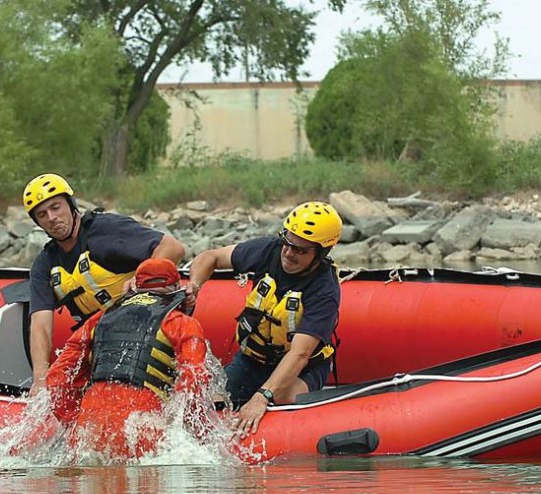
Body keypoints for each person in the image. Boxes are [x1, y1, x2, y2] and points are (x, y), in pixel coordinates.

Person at [186, 201, 342, 437]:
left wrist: (263, 396)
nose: (289, 254)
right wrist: (194, 287)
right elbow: (211, 257)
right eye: (288, 243)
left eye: (301, 250)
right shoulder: (268, 250)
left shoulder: (324, 291)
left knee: (282, 398)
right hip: (253, 360)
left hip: (303, 369)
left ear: (321, 254)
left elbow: (300, 354)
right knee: (208, 400)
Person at [23, 173, 185, 386]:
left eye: (56, 207)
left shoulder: (106, 230)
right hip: (104, 341)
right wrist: (40, 378)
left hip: (148, 327)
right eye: (42, 214)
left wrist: (140, 279)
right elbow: (40, 325)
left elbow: (173, 248)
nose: (51, 217)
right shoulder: (44, 264)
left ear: (71, 205)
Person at [44, 258, 213, 458]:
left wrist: (74, 421)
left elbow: (57, 378)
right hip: (142, 428)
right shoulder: (181, 323)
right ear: (176, 287)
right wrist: (192, 432)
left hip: (89, 427)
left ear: (136, 286)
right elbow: (195, 380)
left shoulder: (98, 319)